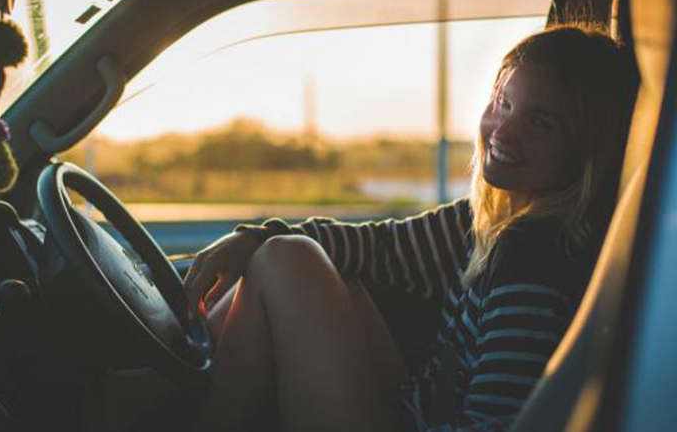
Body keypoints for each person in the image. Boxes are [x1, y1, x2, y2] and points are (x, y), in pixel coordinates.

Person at [183, 24, 638, 432]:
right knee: (318, 263)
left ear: (585, 149)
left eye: (539, 123)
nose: (503, 132)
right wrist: (250, 238)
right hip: (415, 406)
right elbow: (378, 247)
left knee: (287, 258)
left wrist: (266, 243)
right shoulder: (485, 219)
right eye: (503, 103)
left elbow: (499, 420)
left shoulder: (534, 258)